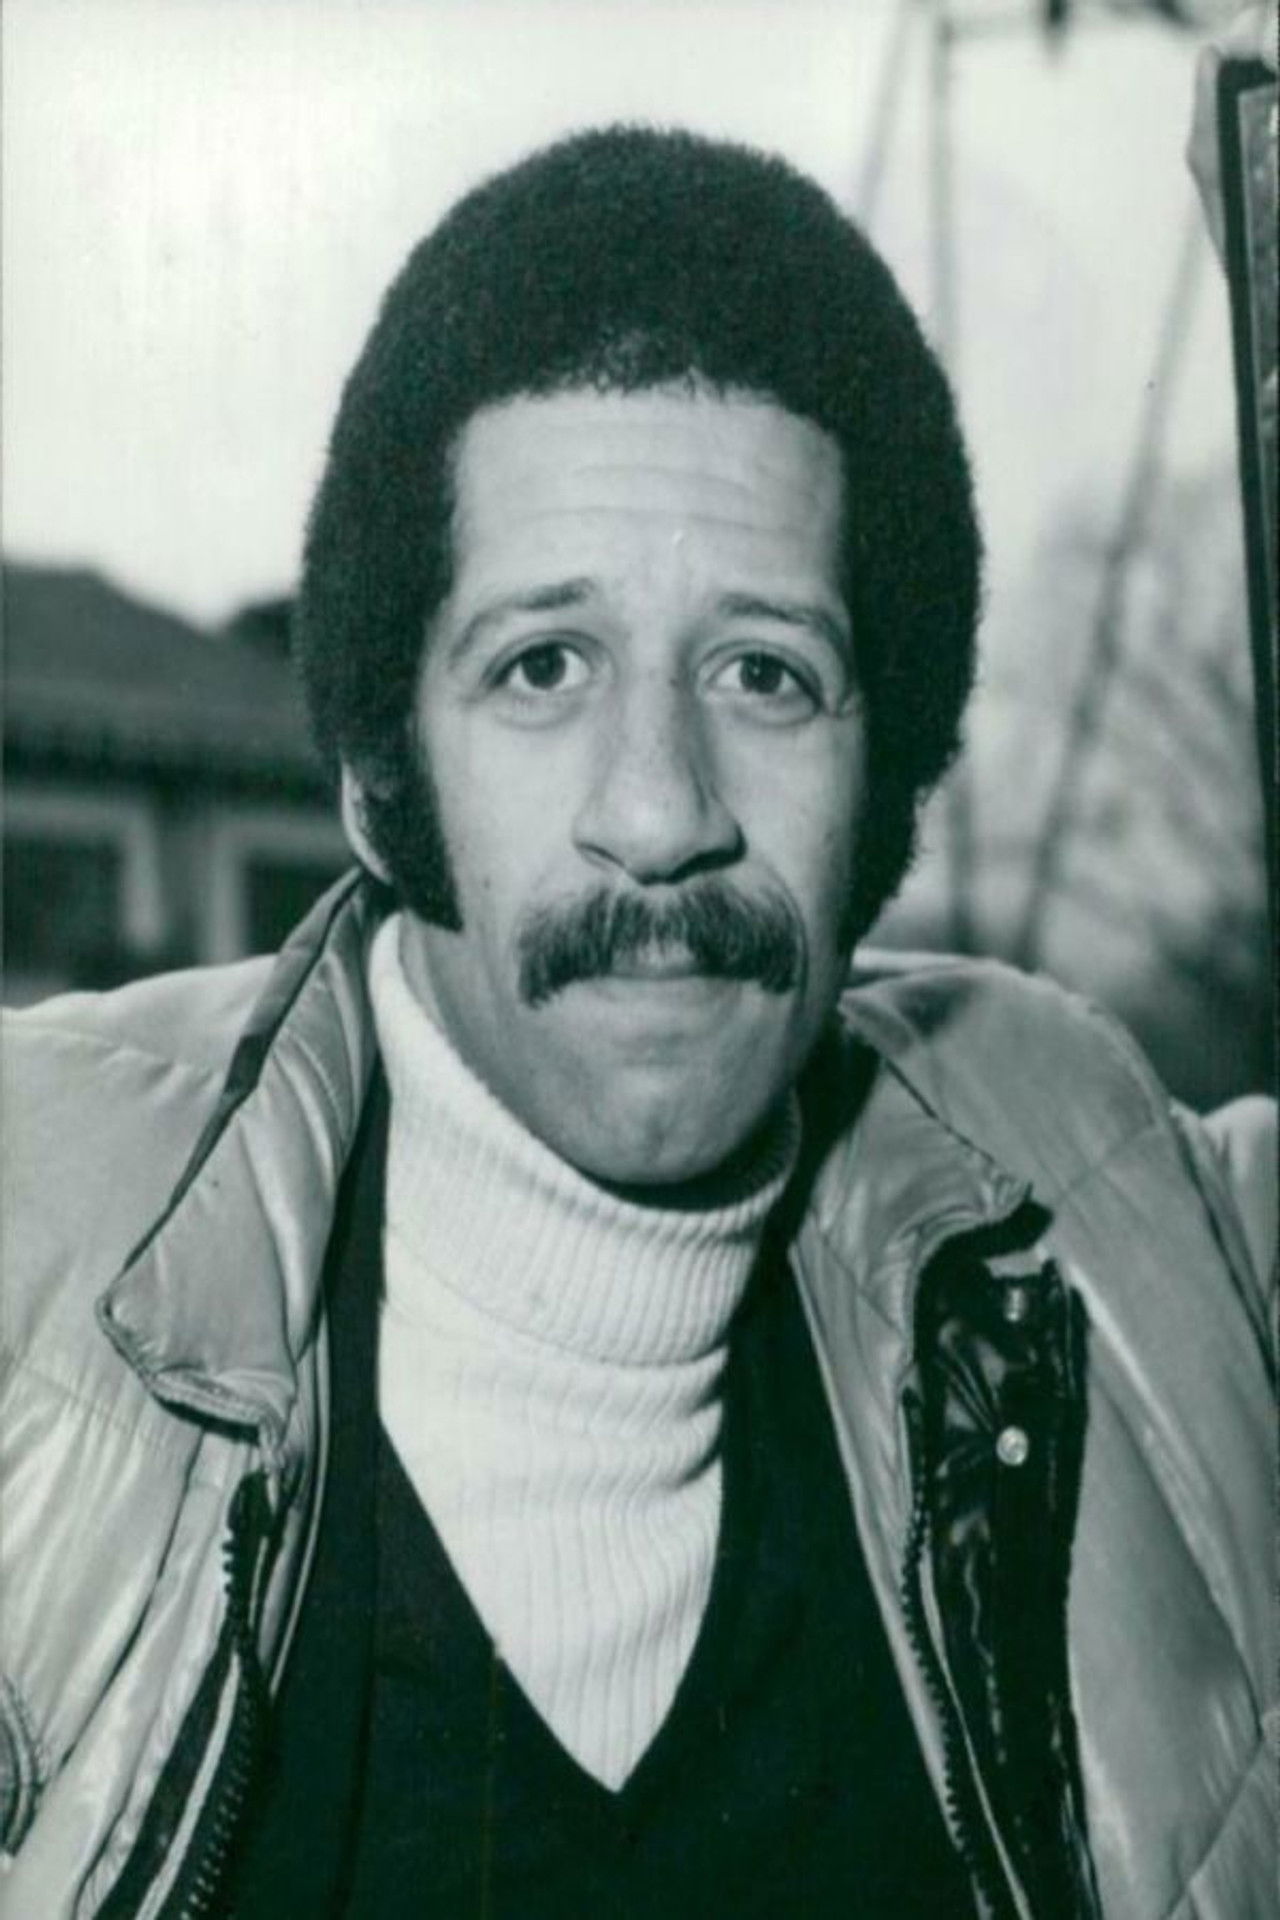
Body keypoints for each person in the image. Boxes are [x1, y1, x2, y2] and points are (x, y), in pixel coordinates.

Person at [1, 118, 1274, 1920]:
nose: (664, 811)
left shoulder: (1122, 1217)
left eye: (767, 672)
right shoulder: (30, 1264)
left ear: (887, 783)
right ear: (378, 776)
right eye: (543, 667)